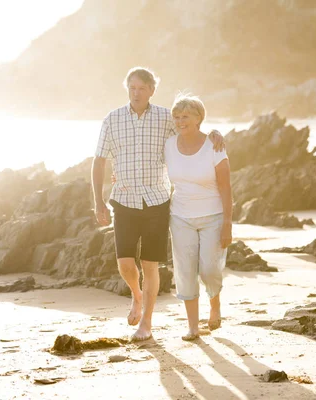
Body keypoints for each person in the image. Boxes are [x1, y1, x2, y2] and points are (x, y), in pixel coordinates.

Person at [91, 67, 224, 341]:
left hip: (157, 201)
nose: (136, 93)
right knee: (126, 264)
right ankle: (136, 295)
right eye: (132, 88)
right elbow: (99, 160)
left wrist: (214, 133)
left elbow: (190, 127)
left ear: (152, 90)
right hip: (124, 199)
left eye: (141, 88)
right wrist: (98, 202)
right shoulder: (112, 119)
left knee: (150, 265)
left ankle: (147, 324)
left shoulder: (166, 117)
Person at [164, 94, 232, 341]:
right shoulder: (169, 144)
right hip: (180, 216)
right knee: (185, 271)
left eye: (186, 117)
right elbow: (147, 163)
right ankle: (193, 326)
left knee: (209, 268)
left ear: (198, 119)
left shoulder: (214, 146)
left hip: (213, 216)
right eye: (177, 117)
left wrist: (227, 224)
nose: (180, 121)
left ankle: (215, 304)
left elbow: (226, 187)